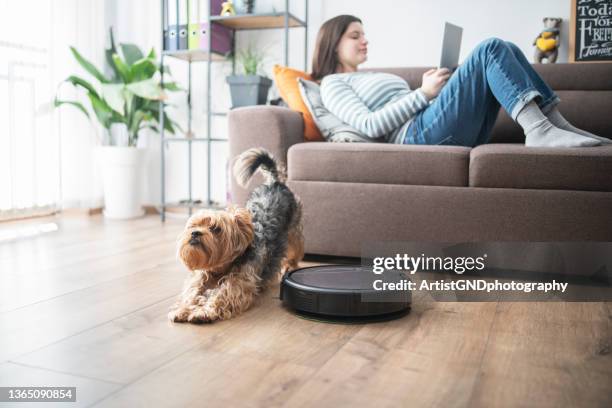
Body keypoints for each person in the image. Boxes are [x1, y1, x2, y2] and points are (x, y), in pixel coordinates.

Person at [313, 15, 610, 147]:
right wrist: (424, 94)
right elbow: (370, 125)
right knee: (490, 48)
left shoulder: (369, 76)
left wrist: (432, 89)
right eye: (355, 36)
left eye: (364, 34)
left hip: (430, 122)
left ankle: (556, 125)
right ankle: (539, 130)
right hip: (416, 137)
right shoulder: (333, 84)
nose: (365, 41)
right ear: (332, 43)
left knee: (508, 47)